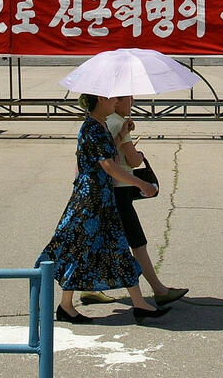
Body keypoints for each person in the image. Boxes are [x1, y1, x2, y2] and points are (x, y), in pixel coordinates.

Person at [37, 93, 170, 325]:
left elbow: (109, 157)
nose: (116, 103)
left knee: (112, 248)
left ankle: (137, 304)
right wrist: (141, 183)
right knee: (79, 247)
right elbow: (108, 166)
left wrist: (120, 136)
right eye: (112, 99)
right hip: (91, 200)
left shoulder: (99, 126)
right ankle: (66, 305)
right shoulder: (93, 128)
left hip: (101, 198)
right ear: (100, 99)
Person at [80, 95, 188, 308]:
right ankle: (157, 290)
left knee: (99, 240)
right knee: (136, 242)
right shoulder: (115, 121)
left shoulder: (105, 123)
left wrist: (123, 135)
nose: (133, 102)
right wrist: (139, 159)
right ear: (114, 101)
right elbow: (130, 160)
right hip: (119, 190)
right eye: (128, 98)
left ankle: (87, 289)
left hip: (105, 190)